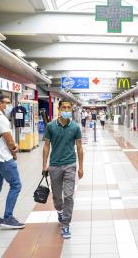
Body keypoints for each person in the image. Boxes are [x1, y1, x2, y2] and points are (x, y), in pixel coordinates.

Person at [42, 100, 84, 239]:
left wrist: (81, 167)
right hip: (54, 165)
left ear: (71, 109)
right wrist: (44, 164)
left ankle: (65, 224)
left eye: (68, 107)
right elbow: (47, 146)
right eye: (63, 107)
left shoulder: (75, 127)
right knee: (57, 196)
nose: (66, 109)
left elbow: (79, 147)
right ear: (59, 109)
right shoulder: (50, 126)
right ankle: (59, 210)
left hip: (70, 165)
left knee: (68, 195)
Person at [0, 95, 24, 229]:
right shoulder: (1, 119)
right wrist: (14, 151)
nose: (9, 106)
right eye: (7, 103)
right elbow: (9, 141)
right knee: (16, 185)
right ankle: (8, 218)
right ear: (0, 104)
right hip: (3, 158)